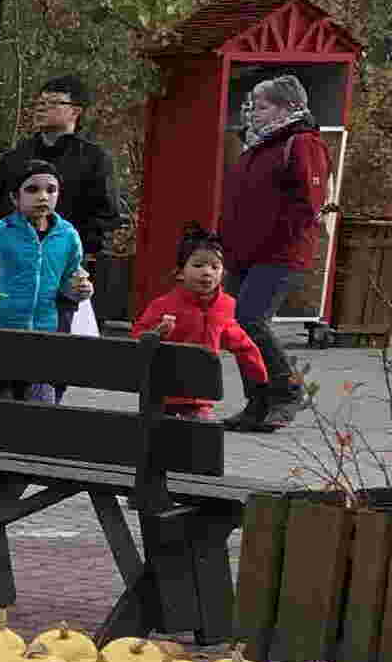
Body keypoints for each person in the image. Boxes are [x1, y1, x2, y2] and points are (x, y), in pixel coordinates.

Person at [214, 74, 330, 431]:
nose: (254, 113)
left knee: (251, 319)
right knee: (236, 328)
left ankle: (286, 391)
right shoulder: (258, 147)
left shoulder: (302, 144)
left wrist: (274, 238)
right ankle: (258, 400)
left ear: (288, 108)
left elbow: (306, 204)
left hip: (279, 253)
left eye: (262, 106)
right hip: (244, 253)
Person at [0, 75, 126, 304]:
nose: (42, 108)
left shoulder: (95, 159)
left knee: (50, 336)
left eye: (53, 102)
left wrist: (70, 251)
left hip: (61, 271)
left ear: (75, 112)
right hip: (8, 266)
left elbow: (107, 216)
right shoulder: (15, 157)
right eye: (40, 102)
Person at [0, 163, 91, 399]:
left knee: (38, 419)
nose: (43, 196)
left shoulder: (67, 235)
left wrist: (81, 288)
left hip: (45, 342)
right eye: (32, 189)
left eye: (51, 189)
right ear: (14, 198)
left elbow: (71, 278)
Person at [128, 232, 264, 421]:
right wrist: (155, 334)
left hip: (200, 395)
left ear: (222, 274)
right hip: (163, 391)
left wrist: (260, 378)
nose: (207, 272)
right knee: (158, 435)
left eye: (215, 267)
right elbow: (138, 336)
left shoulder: (225, 306)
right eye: (198, 265)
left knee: (199, 434)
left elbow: (241, 343)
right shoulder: (163, 305)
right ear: (180, 272)